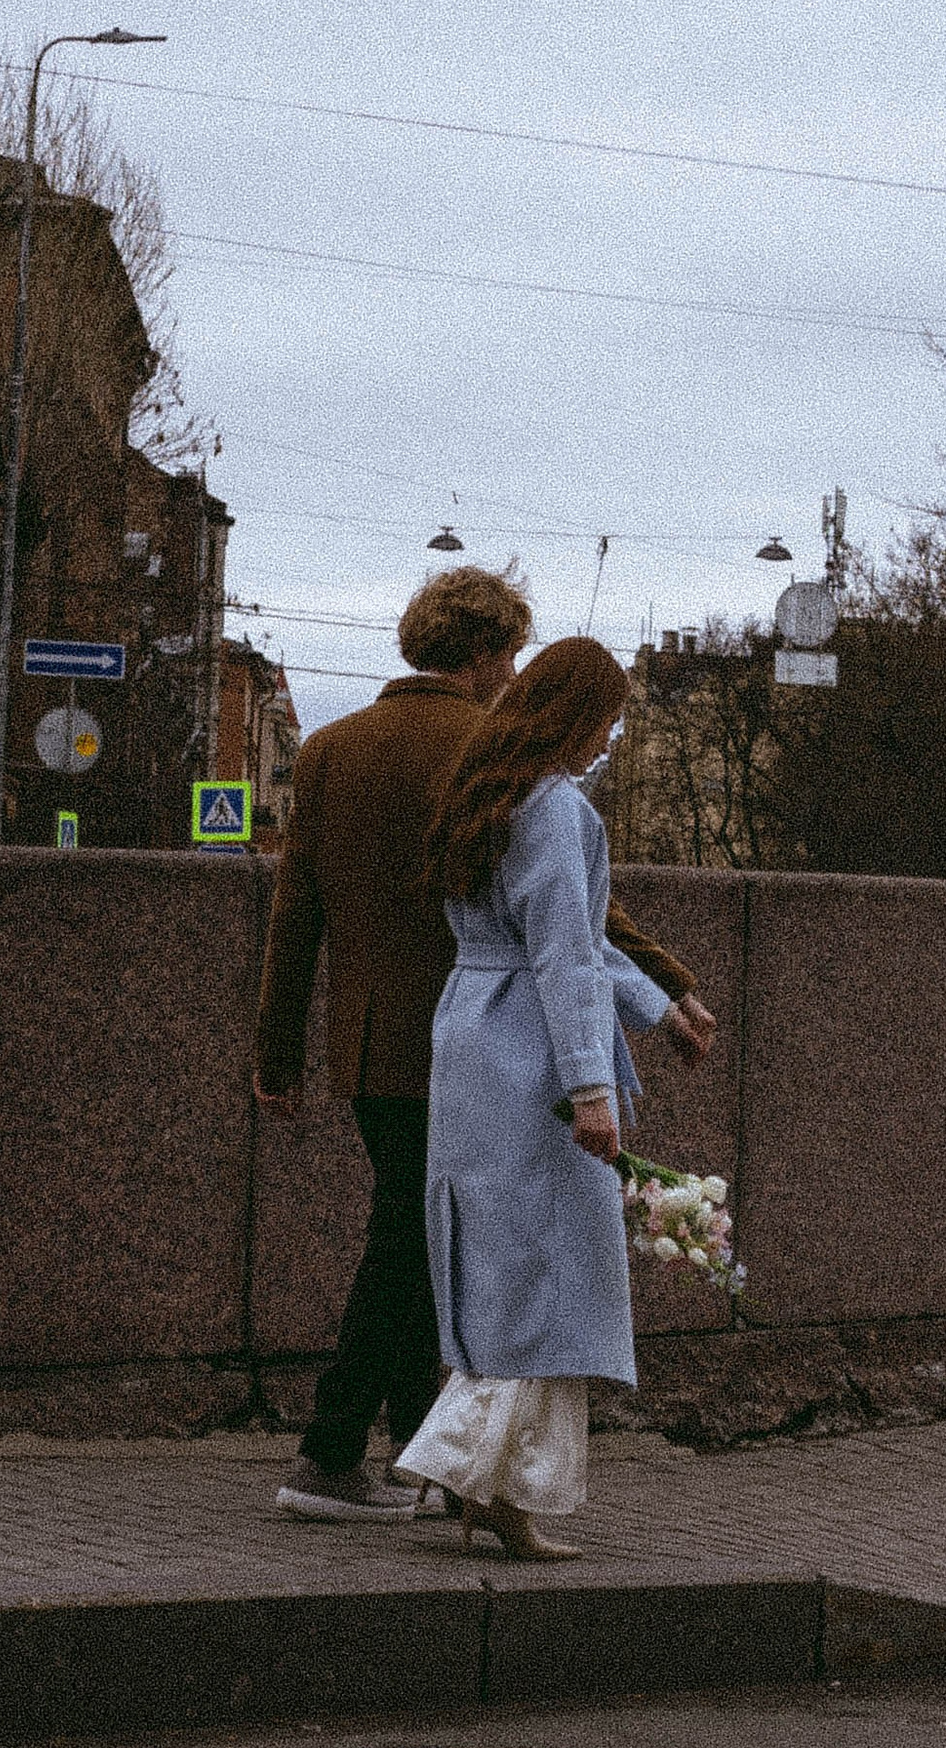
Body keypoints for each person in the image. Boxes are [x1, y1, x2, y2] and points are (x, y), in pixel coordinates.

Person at [253, 571, 710, 1519]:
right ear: (482, 652)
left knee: (420, 1241)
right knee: (433, 1251)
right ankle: (358, 1455)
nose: (511, 674)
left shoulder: (333, 749)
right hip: (496, 1048)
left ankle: (415, 1460)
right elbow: (576, 924)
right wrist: (666, 983)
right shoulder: (497, 757)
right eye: (507, 654)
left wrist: (276, 1054)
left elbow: (293, 915)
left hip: (375, 1044)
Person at [395, 637, 673, 1560]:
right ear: (575, 713)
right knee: (553, 1265)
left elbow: (556, 940)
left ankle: (490, 1492)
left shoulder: (485, 794)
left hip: (469, 1026)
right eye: (608, 715)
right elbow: (562, 950)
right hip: (531, 1050)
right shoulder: (557, 808)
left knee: (493, 1252)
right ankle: (481, 1473)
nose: (612, 735)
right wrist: (593, 1087)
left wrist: (661, 1005)